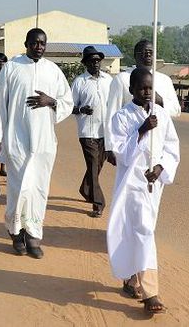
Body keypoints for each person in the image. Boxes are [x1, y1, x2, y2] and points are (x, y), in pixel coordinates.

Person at [0, 28, 74, 259]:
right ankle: (16, 233)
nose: (39, 47)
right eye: (35, 43)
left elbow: (68, 101)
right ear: (26, 43)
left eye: (43, 43)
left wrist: (51, 101)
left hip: (44, 143)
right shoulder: (12, 68)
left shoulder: (53, 71)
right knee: (18, 189)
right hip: (16, 141)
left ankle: (33, 235)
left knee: (38, 190)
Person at [106, 68, 180, 315]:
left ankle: (130, 278)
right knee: (142, 231)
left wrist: (161, 168)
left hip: (153, 185)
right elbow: (121, 154)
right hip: (131, 185)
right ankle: (151, 293)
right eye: (141, 88)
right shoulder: (122, 117)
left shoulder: (161, 114)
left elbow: (171, 148)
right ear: (131, 90)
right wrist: (141, 130)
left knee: (140, 231)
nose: (147, 92)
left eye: (150, 88)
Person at [104, 39, 180, 158]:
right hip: (130, 139)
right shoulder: (123, 79)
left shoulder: (165, 80)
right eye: (144, 52)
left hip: (157, 139)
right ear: (135, 55)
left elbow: (176, 110)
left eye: (151, 52)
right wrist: (109, 146)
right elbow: (112, 112)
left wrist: (160, 101)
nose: (148, 55)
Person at [71, 46, 113, 218]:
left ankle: (85, 188)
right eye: (92, 60)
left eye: (98, 60)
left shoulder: (109, 80)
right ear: (86, 63)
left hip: (106, 131)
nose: (96, 63)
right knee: (93, 165)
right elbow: (69, 107)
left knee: (96, 167)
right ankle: (98, 203)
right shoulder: (79, 82)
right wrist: (81, 109)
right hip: (87, 132)